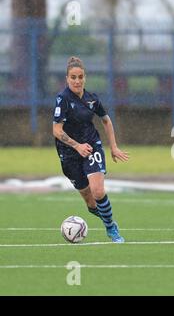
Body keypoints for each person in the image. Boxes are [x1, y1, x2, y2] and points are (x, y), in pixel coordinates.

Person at [52, 56, 129, 243]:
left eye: (80, 77)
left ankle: (111, 228)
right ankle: (107, 218)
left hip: (91, 146)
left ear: (85, 77)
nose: (77, 81)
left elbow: (106, 120)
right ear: (67, 79)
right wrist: (76, 146)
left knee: (98, 191)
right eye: (73, 77)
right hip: (69, 153)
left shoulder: (92, 99)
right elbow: (56, 130)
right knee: (90, 202)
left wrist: (113, 146)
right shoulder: (62, 100)